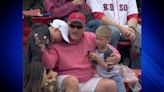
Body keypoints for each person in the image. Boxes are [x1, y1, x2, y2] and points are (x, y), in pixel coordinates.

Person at [38, 12, 118, 92]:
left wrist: (116, 57)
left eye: (79, 26)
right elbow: (49, 64)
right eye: (72, 26)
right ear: (67, 26)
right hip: (65, 78)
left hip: (88, 79)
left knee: (110, 85)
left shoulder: (90, 37)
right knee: (72, 82)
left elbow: (110, 49)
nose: (75, 29)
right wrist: (42, 49)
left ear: (84, 28)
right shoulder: (59, 39)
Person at [88, 25, 126, 92]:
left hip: (113, 77)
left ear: (108, 40)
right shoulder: (96, 50)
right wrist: (92, 60)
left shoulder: (109, 52)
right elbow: (95, 65)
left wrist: (98, 59)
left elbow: (108, 68)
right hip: (101, 78)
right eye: (96, 38)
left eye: (100, 39)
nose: (97, 41)